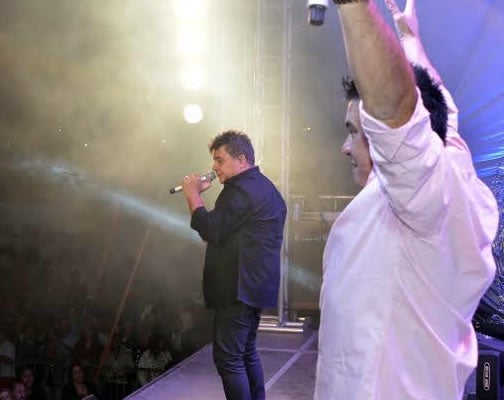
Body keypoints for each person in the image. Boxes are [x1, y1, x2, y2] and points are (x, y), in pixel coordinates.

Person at [313, 0, 498, 399]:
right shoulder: (452, 175)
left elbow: (398, 110)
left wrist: (353, 5)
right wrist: (411, 45)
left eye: (355, 131)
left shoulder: (425, 196)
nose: (345, 147)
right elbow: (442, 114)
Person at [181, 130, 287, 400]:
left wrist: (193, 195)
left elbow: (211, 229)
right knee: (246, 351)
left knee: (228, 358)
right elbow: (228, 231)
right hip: (256, 285)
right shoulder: (266, 187)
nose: (214, 167)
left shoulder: (239, 190)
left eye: (220, 160)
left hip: (238, 287)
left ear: (241, 159)